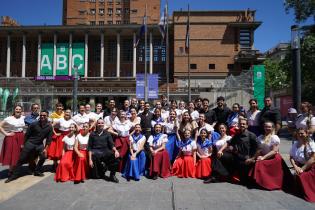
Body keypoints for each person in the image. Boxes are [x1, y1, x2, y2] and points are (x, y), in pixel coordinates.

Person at [5, 110, 53, 183]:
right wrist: (23, 144)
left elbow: (49, 140)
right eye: (41, 115)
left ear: (47, 116)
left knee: (43, 156)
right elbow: (27, 135)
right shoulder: (34, 124)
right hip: (30, 143)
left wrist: (45, 149)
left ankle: (37, 171)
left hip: (39, 144)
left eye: (44, 115)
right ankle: (14, 175)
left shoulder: (49, 127)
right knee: (21, 159)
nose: (42, 117)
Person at [211, 118, 259, 185]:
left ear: (247, 125)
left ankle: (229, 174)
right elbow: (228, 142)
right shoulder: (237, 134)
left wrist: (252, 159)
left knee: (244, 182)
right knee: (219, 155)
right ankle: (220, 175)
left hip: (246, 159)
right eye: (240, 124)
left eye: (244, 124)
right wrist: (220, 150)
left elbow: (259, 148)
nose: (242, 125)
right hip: (235, 157)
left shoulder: (251, 135)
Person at [248, 122, 292, 190]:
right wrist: (254, 157)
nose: (267, 128)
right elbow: (259, 150)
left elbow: (274, 151)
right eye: (266, 126)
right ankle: (259, 182)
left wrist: (263, 157)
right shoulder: (260, 137)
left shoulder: (274, 137)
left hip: (273, 158)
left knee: (260, 163)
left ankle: (266, 183)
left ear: (272, 128)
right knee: (256, 161)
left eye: (269, 127)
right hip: (264, 156)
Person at [290, 128, 315, 202]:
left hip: (310, 167)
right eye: (299, 133)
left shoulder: (311, 144)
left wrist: (302, 169)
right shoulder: (295, 144)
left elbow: (313, 159)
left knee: (302, 175)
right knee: (295, 174)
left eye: (302, 133)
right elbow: (291, 157)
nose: (300, 135)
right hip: (300, 166)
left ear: (306, 134)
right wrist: (295, 167)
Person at [0, 105, 25, 176]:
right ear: (14, 110)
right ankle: (11, 171)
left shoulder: (23, 117)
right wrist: (6, 134)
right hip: (12, 137)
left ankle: (15, 169)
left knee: (19, 153)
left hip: (21, 136)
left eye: (20, 109)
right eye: (17, 109)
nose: (18, 110)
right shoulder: (9, 118)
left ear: (21, 111)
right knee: (12, 153)